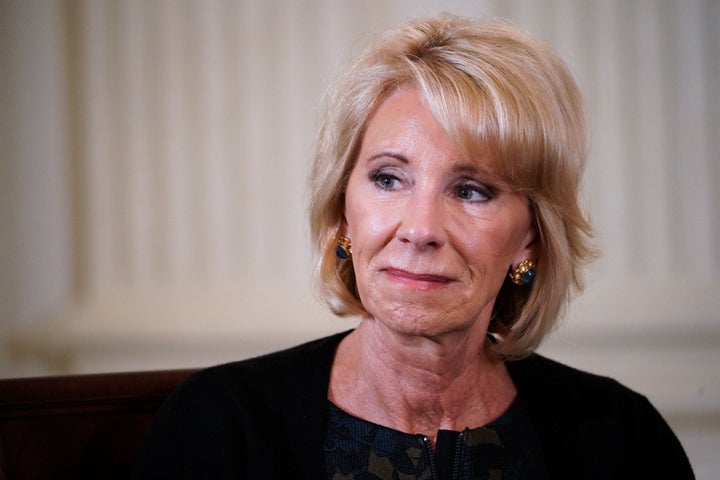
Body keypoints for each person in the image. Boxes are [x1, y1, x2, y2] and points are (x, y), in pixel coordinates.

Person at [134, 13, 694, 479]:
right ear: (342, 212)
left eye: (471, 190)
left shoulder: (621, 436)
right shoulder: (221, 425)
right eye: (388, 179)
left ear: (530, 236)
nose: (420, 228)